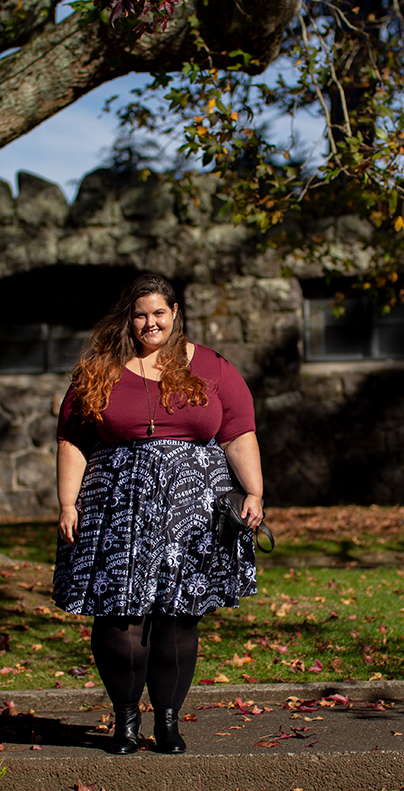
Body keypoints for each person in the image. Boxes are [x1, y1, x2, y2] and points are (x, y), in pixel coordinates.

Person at [52, 274, 265, 755]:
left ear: (175, 312)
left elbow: (237, 431)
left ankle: (167, 722)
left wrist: (253, 491)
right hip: (115, 508)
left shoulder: (212, 366)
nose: (151, 322)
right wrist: (68, 502)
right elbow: (73, 438)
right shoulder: (98, 370)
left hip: (192, 510)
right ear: (129, 318)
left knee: (178, 615)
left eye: (159, 312)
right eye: (140, 314)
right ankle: (125, 722)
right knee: (119, 616)